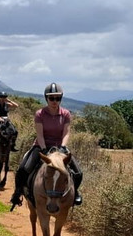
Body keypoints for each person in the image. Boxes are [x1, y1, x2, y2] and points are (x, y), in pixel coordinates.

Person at [9, 82, 83, 210]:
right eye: (51, 98)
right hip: (41, 146)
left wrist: (63, 147)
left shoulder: (66, 114)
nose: (55, 101)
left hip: (60, 148)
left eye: (58, 98)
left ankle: (74, 193)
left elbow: (66, 133)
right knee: (23, 169)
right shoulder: (40, 114)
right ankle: (18, 193)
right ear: (46, 98)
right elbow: (40, 134)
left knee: (78, 172)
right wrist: (43, 149)